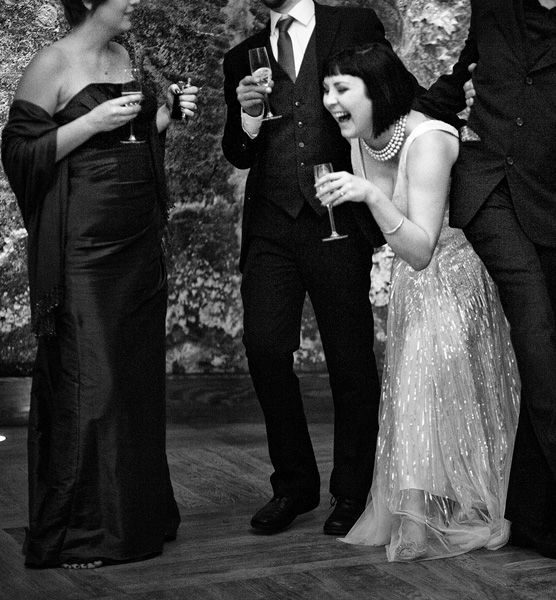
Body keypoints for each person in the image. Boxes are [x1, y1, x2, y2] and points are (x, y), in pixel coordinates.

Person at [412, 0, 556, 562]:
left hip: (555, 200)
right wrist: (397, 114)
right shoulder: (494, 5)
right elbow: (459, 80)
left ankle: (535, 517)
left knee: (548, 348)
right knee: (530, 306)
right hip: (487, 183)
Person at [1, 0, 197, 569]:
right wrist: (91, 121)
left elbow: (128, 141)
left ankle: (136, 517)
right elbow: (18, 153)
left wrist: (162, 120)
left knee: (135, 378)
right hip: (84, 245)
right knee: (94, 379)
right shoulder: (52, 62)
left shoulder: (124, 54)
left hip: (137, 238)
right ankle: (83, 531)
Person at [313, 43, 521, 563]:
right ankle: (417, 516)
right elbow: (400, 248)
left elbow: (423, 248)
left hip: (455, 276)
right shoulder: (362, 141)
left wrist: (370, 195)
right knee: (410, 396)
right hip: (411, 281)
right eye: (326, 89)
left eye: (342, 89)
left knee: (439, 389)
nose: (330, 100)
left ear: (377, 90)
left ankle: (450, 511)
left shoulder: (428, 140)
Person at [221, 0, 391, 537]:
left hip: (337, 216)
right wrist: (248, 116)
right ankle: (293, 485)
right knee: (265, 349)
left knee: (350, 358)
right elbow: (237, 152)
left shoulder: (353, 25)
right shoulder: (243, 56)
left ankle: (353, 490)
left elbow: (391, 96)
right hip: (271, 225)